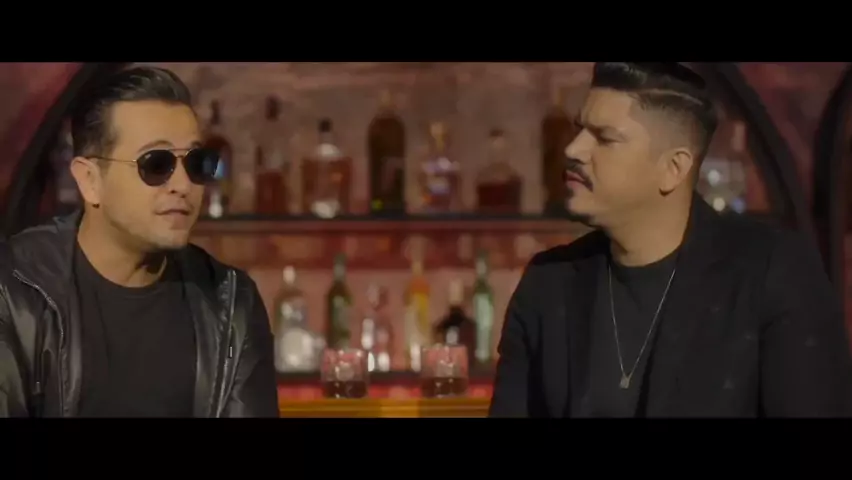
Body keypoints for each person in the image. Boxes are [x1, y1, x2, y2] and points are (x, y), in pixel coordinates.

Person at [489, 62, 852, 418]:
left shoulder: (771, 274)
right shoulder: (548, 284)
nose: (573, 149)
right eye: (579, 129)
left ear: (673, 168)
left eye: (605, 138)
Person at [0, 66, 279, 417]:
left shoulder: (231, 302)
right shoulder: (14, 289)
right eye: (156, 164)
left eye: (196, 163)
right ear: (89, 181)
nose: (183, 186)